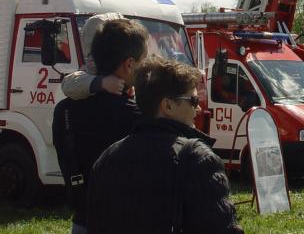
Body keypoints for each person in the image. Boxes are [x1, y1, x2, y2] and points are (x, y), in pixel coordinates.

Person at [87, 57, 243, 234]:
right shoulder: (198, 159)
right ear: (168, 105)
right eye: (193, 101)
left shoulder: (107, 158)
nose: (198, 109)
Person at [52, 18, 148, 234]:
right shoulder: (137, 117)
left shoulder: (63, 111)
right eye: (144, 60)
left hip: (83, 220)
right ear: (130, 64)